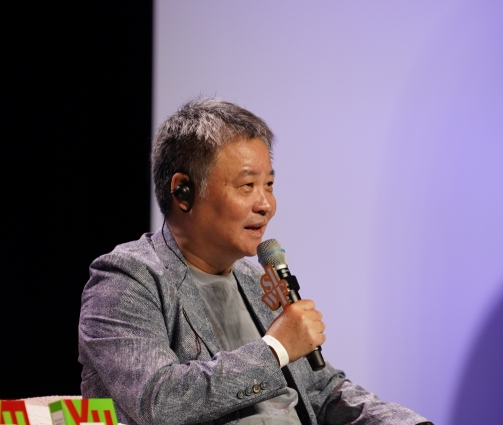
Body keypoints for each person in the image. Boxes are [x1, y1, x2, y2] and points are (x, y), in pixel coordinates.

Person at [79, 98, 432, 425]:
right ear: (183, 191)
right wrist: (276, 348)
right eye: (247, 186)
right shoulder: (127, 278)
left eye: (270, 184)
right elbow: (158, 400)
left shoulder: (254, 280)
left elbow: (324, 392)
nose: (266, 205)